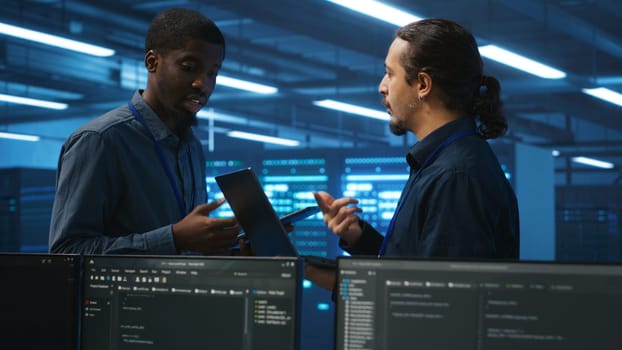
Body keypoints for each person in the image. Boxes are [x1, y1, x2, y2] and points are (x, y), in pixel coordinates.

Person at [307, 18, 519, 289]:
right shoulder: (444, 164)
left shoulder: (454, 177)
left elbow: (429, 305)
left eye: (390, 73)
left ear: (422, 84)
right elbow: (410, 272)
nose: (382, 87)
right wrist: (358, 237)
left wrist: (308, 272)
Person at [48, 8, 241, 255]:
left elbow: (191, 249)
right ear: (152, 62)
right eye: (189, 67)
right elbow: (66, 251)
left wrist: (237, 250)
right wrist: (173, 239)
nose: (202, 84)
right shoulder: (101, 140)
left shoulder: (191, 147)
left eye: (212, 73)